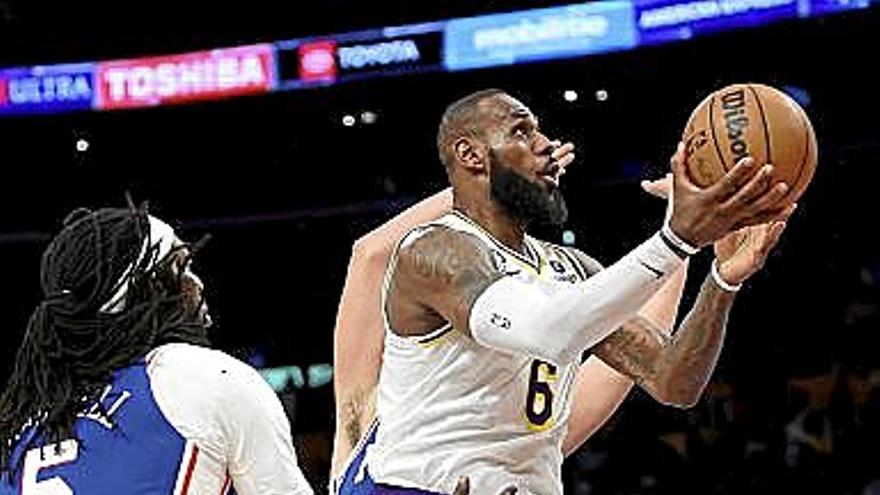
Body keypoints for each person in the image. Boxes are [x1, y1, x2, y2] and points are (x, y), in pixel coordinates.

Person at [334, 88, 794, 495]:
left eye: (540, 132)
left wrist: (723, 280)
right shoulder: (434, 252)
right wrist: (677, 238)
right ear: (470, 154)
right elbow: (548, 331)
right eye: (521, 132)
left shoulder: (570, 270)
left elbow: (674, 380)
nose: (547, 146)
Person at [0, 204, 312, 495]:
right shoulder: (205, 376)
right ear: (145, 286)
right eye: (181, 265)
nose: (197, 283)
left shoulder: (25, 421)